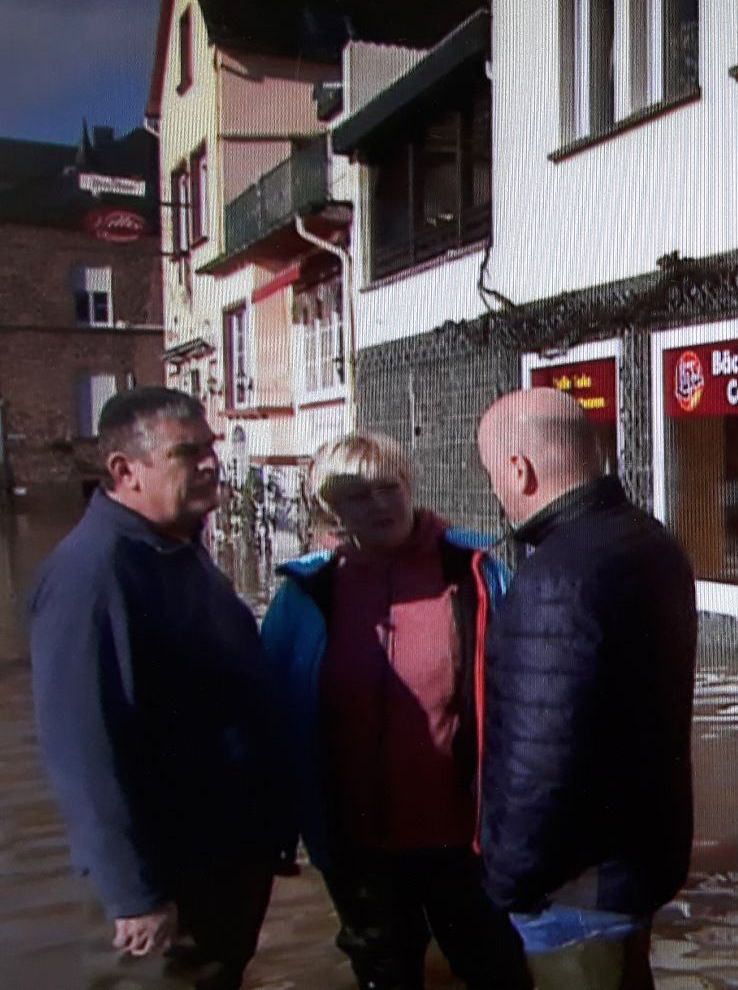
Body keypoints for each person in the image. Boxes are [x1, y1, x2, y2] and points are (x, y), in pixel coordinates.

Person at [28, 387, 290, 990]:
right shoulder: (93, 575)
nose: (210, 464)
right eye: (186, 453)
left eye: (210, 448)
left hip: (224, 861)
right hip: (176, 882)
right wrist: (133, 893)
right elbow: (82, 749)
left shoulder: (173, 546)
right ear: (125, 471)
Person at [260, 431, 532, 990]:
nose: (380, 504)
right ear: (330, 510)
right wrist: (277, 826)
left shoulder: (475, 575)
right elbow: (276, 719)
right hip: (358, 844)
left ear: (410, 486)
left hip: (466, 837)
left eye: (389, 487)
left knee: (495, 970)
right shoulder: (306, 595)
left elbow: (528, 695)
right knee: (383, 972)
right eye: (358, 496)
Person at [476, 388, 698, 989]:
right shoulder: (650, 541)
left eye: (494, 474)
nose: (497, 492)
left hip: (574, 891)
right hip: (637, 865)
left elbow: (538, 759)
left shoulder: (554, 577)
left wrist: (505, 883)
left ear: (519, 469)